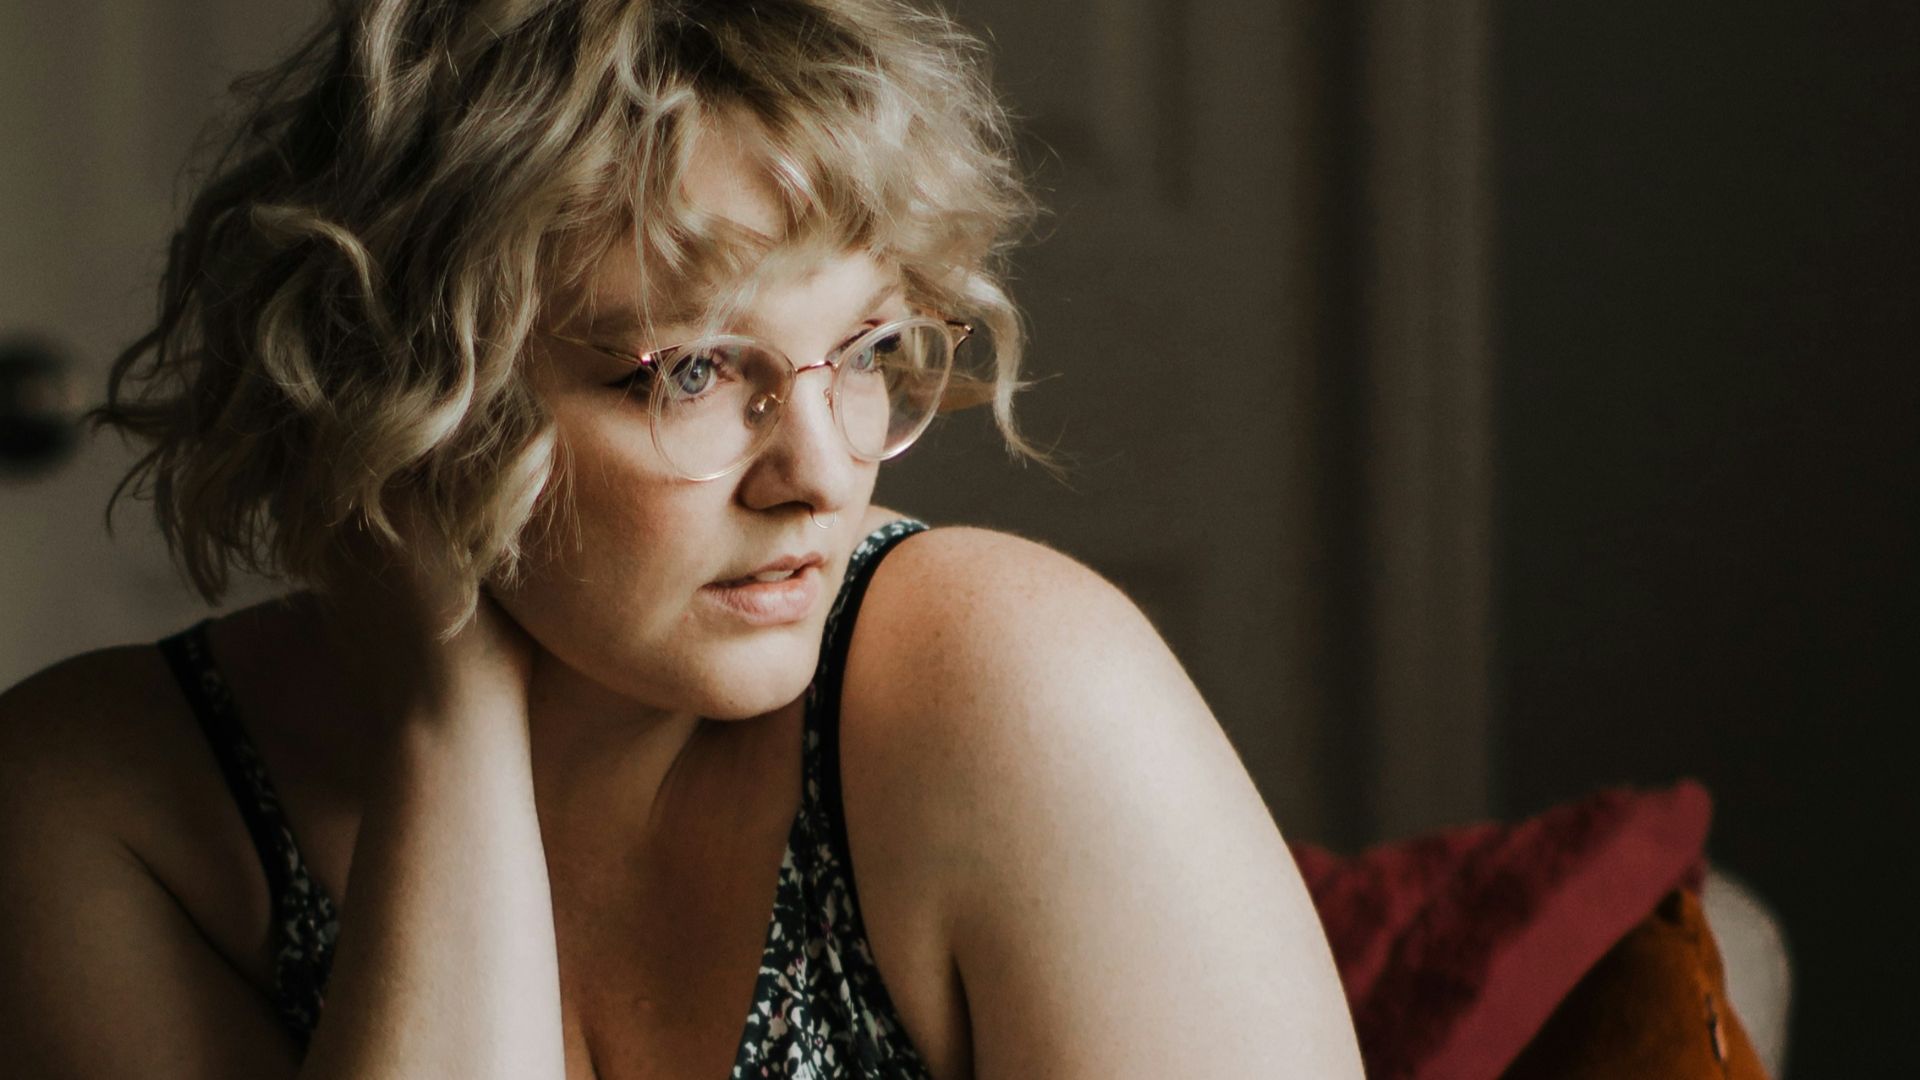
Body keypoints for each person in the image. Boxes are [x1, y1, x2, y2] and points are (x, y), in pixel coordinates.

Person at [0, 1, 1364, 1076]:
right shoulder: (103, 805)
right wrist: (451, 718)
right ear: (411, 391)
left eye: (867, 349)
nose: (819, 475)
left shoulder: (1005, 686)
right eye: (692, 373)